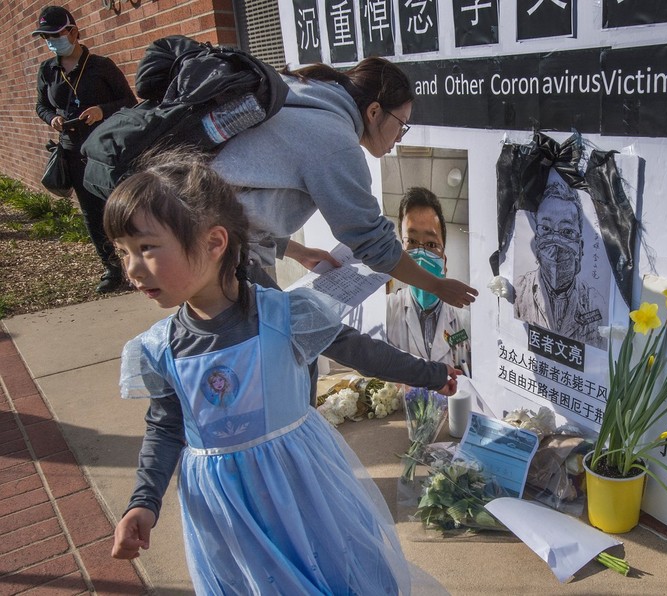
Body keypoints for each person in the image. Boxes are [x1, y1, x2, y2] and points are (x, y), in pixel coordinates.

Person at [107, 149, 456, 594]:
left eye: (147, 248)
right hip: (226, 514)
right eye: (123, 252)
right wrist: (143, 501)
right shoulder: (159, 348)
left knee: (337, 575)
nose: (132, 270)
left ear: (214, 243)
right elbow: (166, 425)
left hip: (305, 491)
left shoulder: (285, 316)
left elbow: (361, 352)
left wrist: (429, 372)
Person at [211, 56, 478, 309]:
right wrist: (437, 285)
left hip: (199, 231)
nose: (399, 137)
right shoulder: (336, 142)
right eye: (401, 125)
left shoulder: (309, 92)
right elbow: (374, 243)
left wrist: (297, 251)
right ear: (374, 112)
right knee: (298, 336)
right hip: (213, 254)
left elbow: (250, 202)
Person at [33, 6, 136, 293]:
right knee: (91, 212)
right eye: (46, 37)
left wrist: (103, 111)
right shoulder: (47, 70)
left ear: (73, 31)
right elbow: (41, 105)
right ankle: (111, 268)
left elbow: (130, 102)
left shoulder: (102, 66)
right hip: (71, 150)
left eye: (56, 34)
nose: (51, 41)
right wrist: (51, 118)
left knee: (120, 204)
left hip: (107, 150)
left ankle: (136, 261)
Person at [387, 187, 472, 373]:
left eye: (432, 244)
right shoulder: (386, 311)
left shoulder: (464, 321)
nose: (421, 254)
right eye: (411, 241)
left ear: (444, 262)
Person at [514, 181, 606, 349]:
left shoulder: (595, 302)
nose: (556, 242)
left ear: (580, 246)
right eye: (546, 229)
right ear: (537, 240)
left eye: (566, 232)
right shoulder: (519, 291)